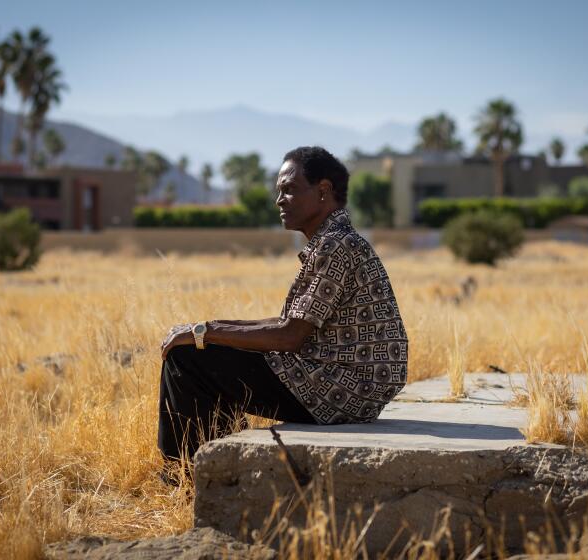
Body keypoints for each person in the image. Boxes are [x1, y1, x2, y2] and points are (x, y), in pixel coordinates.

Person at [158, 146, 408, 465]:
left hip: (339, 390)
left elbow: (290, 337)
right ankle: (217, 463)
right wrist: (207, 329)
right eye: (279, 191)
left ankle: (183, 475)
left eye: (289, 190)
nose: (279, 200)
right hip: (349, 388)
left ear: (323, 191)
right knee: (209, 349)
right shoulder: (337, 240)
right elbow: (288, 323)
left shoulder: (336, 245)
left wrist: (202, 334)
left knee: (188, 357)